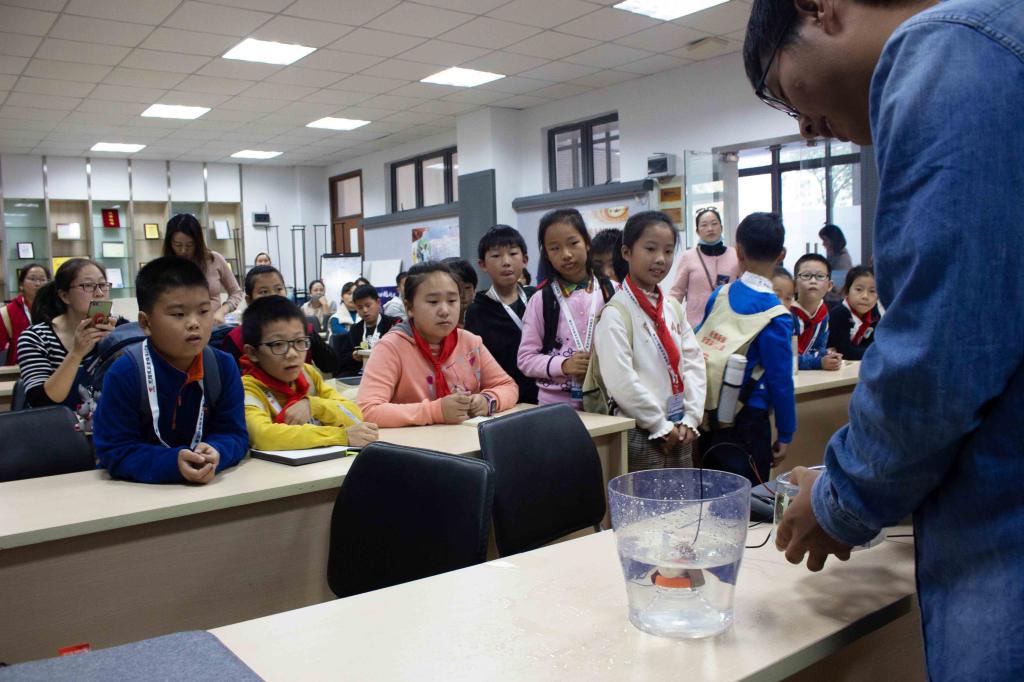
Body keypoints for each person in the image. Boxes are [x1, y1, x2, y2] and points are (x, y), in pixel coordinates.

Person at [744, 0, 1024, 678]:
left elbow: (939, 353)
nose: (805, 127)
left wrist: (843, 497)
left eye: (784, 93)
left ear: (818, 7)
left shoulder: (947, 50)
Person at [92, 257, 247, 484]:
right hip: (138, 495)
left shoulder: (223, 366)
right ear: (146, 323)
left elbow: (235, 433)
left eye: (204, 311)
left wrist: (218, 451)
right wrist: (172, 463)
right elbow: (115, 450)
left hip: (209, 488)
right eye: (178, 314)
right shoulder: (126, 372)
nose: (194, 323)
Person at [594, 212, 706, 471]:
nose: (660, 259)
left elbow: (694, 363)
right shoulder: (616, 313)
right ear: (626, 252)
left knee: (681, 497)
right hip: (642, 431)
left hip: (680, 429)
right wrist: (659, 425)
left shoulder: (672, 308)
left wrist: (691, 417)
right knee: (642, 496)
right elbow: (621, 381)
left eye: (668, 251)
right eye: (650, 249)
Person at [695, 212, 795, 486]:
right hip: (750, 419)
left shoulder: (719, 295)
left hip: (708, 415)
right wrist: (786, 433)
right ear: (781, 255)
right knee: (749, 498)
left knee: (710, 490)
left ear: (738, 251)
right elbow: (781, 381)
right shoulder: (777, 315)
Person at [358, 262, 518, 427]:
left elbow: (508, 386)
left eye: (452, 300)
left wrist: (487, 400)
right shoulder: (391, 347)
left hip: (465, 440)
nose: (445, 311)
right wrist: (435, 411)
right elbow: (367, 410)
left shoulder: (470, 342)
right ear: (409, 307)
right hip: (413, 442)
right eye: (433, 302)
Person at [239, 295, 378, 451]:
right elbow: (264, 436)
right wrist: (340, 436)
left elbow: (354, 415)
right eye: (278, 344)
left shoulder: (307, 374)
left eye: (299, 341)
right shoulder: (247, 389)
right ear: (252, 353)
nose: (292, 354)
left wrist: (313, 405)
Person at [518, 209, 616, 409]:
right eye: (555, 248)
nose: (566, 254)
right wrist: (563, 365)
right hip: (555, 406)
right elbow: (525, 359)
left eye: (573, 243)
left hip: (607, 400)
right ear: (546, 255)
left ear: (587, 243)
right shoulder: (541, 300)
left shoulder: (613, 291)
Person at [17, 258, 115, 410]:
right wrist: (76, 353)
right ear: (65, 296)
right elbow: (41, 402)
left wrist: (116, 345)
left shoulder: (118, 330)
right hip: (58, 422)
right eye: (88, 286)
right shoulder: (36, 337)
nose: (99, 293)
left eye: (103, 285)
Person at [465, 225, 538, 405]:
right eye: (496, 256)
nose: (506, 262)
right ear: (482, 264)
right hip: (503, 401)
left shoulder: (537, 298)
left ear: (525, 260)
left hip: (543, 395)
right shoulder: (477, 310)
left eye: (513, 254)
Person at [221, 265, 340, 375]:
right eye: (264, 292)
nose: (274, 296)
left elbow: (330, 365)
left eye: (279, 289)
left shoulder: (305, 330)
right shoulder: (236, 338)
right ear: (249, 300)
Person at [163, 213, 242, 325]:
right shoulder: (164, 267)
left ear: (198, 242)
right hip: (179, 327)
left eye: (189, 245)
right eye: (178, 245)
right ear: (169, 243)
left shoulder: (214, 259)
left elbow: (236, 292)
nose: (183, 250)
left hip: (212, 325)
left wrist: (222, 311)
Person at [669, 207, 741, 328]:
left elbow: (744, 287)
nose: (710, 228)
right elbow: (677, 292)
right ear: (697, 231)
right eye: (704, 225)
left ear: (721, 227)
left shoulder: (735, 254)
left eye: (714, 224)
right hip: (697, 326)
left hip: (728, 324)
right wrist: (670, 318)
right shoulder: (688, 257)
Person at [333, 284, 398, 376]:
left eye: (368, 305)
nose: (365, 310)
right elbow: (344, 356)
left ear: (378, 302)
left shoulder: (393, 324)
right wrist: (353, 356)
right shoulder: (355, 329)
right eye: (360, 307)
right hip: (362, 374)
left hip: (388, 372)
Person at [792, 254, 842, 371]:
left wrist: (828, 356)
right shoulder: (787, 314)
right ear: (794, 285)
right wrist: (818, 362)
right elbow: (786, 356)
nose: (813, 281)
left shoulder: (823, 314)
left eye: (820, 276)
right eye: (806, 276)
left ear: (829, 285)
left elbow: (820, 348)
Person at [0, 263, 49, 366]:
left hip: (54, 367)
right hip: (19, 368)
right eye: (32, 279)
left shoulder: (57, 309)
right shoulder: (7, 312)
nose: (38, 284)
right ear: (21, 285)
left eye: (42, 279)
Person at [827, 265, 879, 361]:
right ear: (847, 291)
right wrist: (875, 353)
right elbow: (844, 352)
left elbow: (873, 344)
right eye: (859, 289)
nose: (865, 296)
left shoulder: (874, 313)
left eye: (872, 291)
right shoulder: (839, 313)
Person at [440, 257, 477, 328]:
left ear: (474, 290)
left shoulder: (483, 320)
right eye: (456, 288)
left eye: (467, 288)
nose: (462, 294)